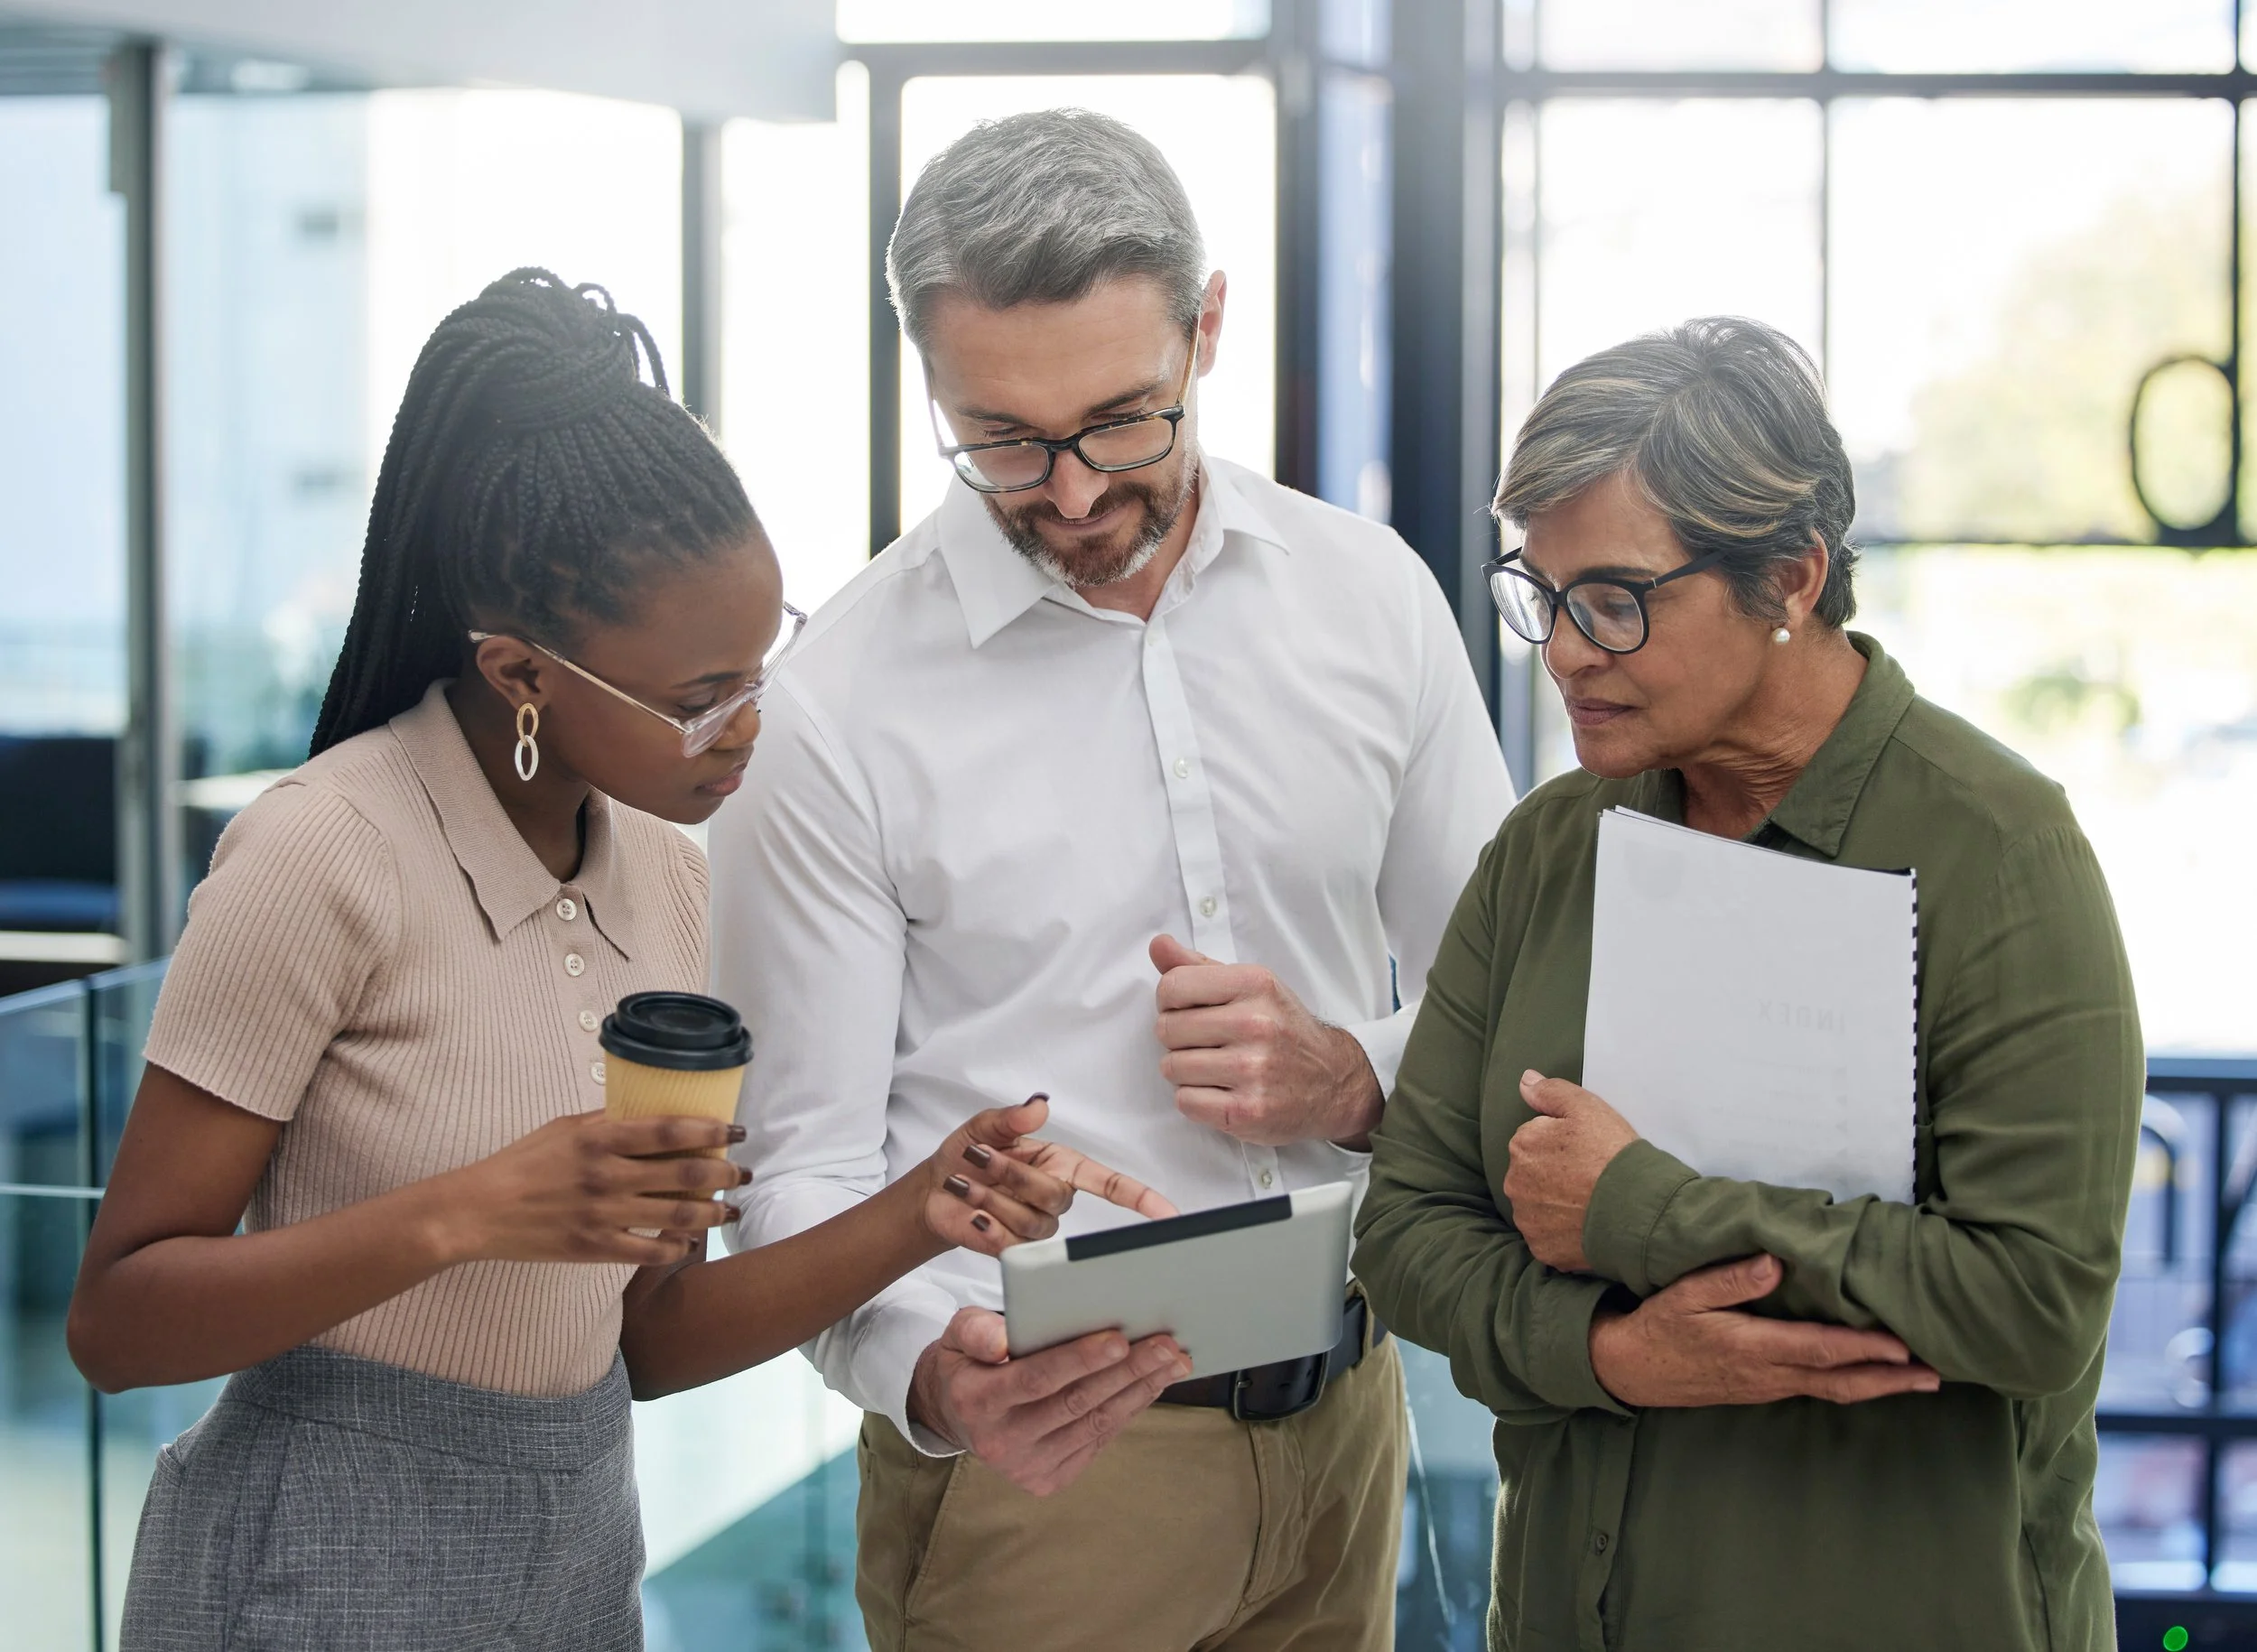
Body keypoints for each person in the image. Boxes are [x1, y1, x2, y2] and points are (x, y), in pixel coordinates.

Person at [65, 268, 1164, 1652]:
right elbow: (115, 1320)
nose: (749, 731)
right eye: (701, 702)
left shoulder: (667, 884)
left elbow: (644, 1338)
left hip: (575, 1555)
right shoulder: (320, 856)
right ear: (524, 674)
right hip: (317, 1564)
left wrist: (923, 1207)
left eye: (764, 671)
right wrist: (471, 1210)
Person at [711, 109, 1515, 1650]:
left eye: (1122, 421)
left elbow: (1509, 990)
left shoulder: (1372, 600)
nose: (1071, 493)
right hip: (1044, 1474)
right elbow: (796, 1168)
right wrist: (930, 1374)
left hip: (1349, 1424)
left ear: (1208, 327)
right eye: (1003, 438)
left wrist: (1351, 1076)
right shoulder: (834, 708)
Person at [1352, 316, 2143, 1652]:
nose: (1562, 650)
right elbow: (1406, 1235)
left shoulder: (2001, 854)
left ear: (1789, 577)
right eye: (1539, 595)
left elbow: (2031, 1299)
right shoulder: (1550, 851)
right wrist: (1607, 1356)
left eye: (1614, 598)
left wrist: (1644, 1210)